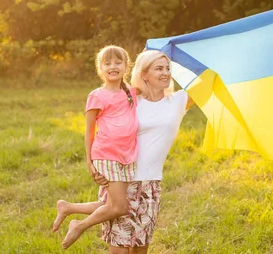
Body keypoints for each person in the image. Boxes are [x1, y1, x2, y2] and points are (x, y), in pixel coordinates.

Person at [52, 50, 192, 253]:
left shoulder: (175, 100)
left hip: (150, 183)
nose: (165, 73)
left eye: (167, 69)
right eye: (158, 68)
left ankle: (69, 208)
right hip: (121, 171)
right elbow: (100, 128)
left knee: (139, 247)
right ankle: (76, 221)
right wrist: (93, 163)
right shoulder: (131, 98)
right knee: (119, 245)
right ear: (144, 74)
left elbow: (208, 83)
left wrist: (180, 51)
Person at [53, 45, 139, 250]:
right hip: (106, 154)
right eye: (107, 63)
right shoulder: (96, 95)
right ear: (100, 68)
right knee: (120, 206)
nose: (113, 66)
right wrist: (90, 163)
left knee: (110, 204)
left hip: (128, 156)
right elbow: (89, 131)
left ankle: (68, 207)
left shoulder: (132, 93)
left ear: (127, 66)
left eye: (118, 62)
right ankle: (79, 225)